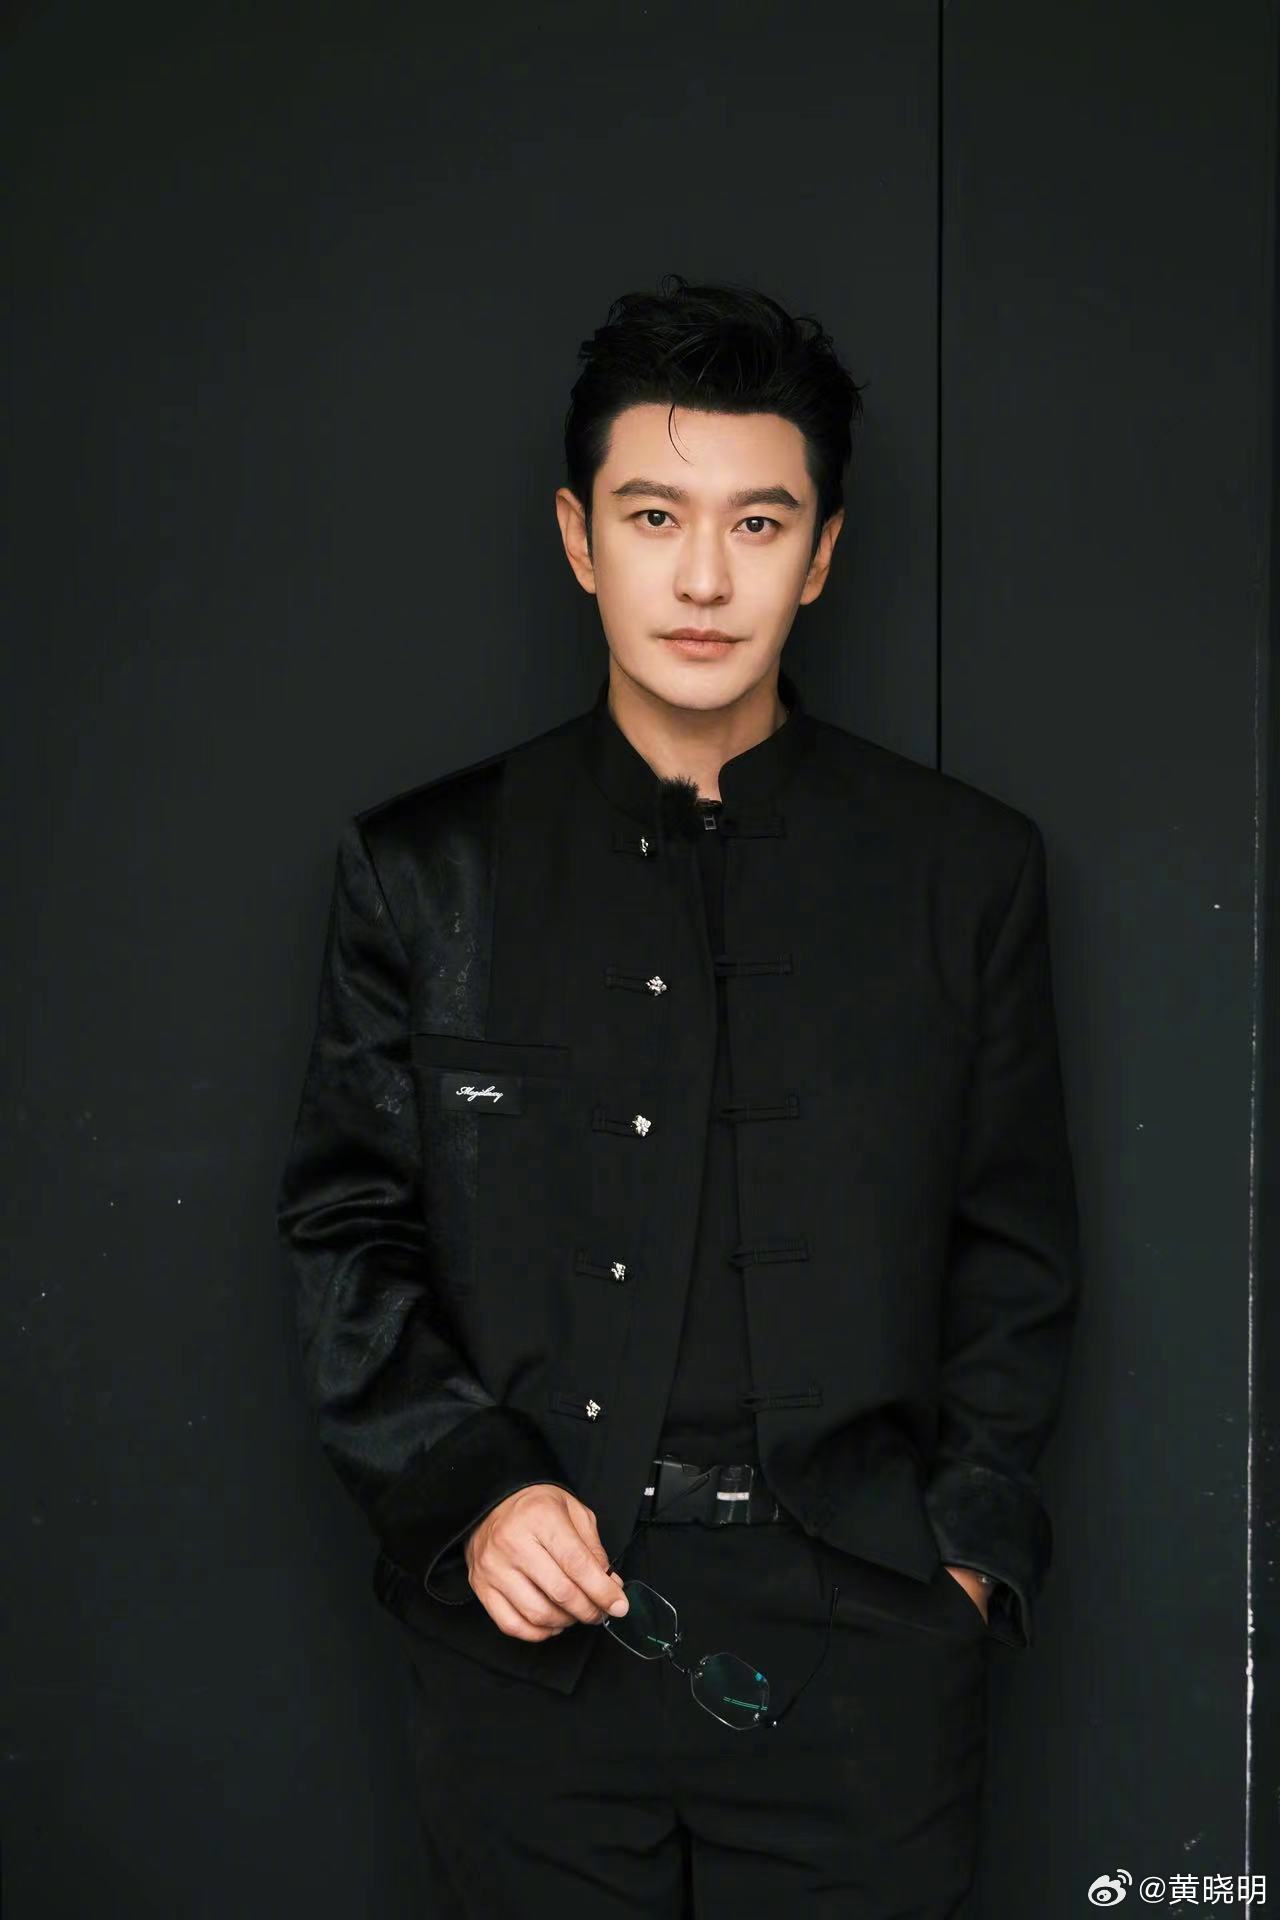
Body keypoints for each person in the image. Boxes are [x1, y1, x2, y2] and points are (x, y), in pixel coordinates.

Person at [275, 273, 1081, 1916]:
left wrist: (964, 1567)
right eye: (655, 516)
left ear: (823, 554)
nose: (704, 578)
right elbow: (347, 1230)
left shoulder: (966, 871)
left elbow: (1017, 1257)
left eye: (759, 523)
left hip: (868, 1649)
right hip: (532, 1649)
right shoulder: (426, 872)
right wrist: (473, 1492)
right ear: (579, 537)